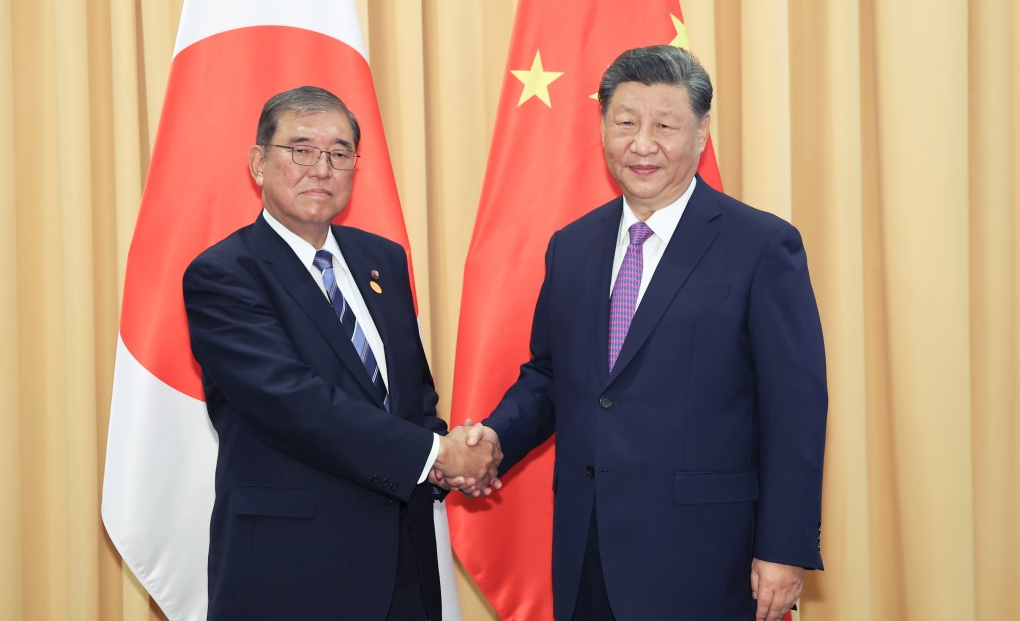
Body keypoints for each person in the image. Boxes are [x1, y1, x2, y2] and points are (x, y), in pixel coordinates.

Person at [451, 46, 827, 620]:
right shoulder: (572, 246)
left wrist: (782, 548)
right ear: (602, 128)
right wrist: (497, 438)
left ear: (701, 133)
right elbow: (553, 375)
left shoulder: (761, 246)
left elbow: (795, 407)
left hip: (709, 555)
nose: (642, 144)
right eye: (625, 122)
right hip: (588, 546)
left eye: (665, 125)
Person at [183, 86, 499, 620]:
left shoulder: (383, 260)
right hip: (293, 571)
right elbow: (294, 402)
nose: (321, 168)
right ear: (259, 163)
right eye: (300, 149)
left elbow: (411, 397)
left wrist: (447, 457)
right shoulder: (224, 274)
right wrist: (434, 454)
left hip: (402, 562)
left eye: (339, 153)